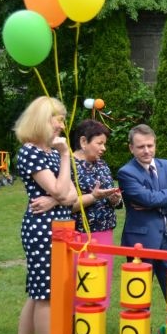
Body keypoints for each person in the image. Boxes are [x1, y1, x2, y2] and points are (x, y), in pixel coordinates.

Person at [8, 96, 76, 334]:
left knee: (38, 295)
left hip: (60, 227)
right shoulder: (31, 152)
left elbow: (72, 195)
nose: (61, 125)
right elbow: (61, 190)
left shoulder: (50, 152)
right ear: (41, 120)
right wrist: (65, 157)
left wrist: (55, 198)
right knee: (46, 296)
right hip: (43, 230)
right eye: (57, 120)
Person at [117, 124, 167, 297]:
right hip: (140, 242)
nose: (146, 150)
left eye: (150, 145)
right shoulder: (126, 172)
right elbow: (148, 199)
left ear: (155, 144)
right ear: (131, 148)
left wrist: (157, 202)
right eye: (141, 147)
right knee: (138, 296)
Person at [69, 119, 121, 308]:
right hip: (79, 235)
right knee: (81, 283)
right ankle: (76, 320)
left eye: (104, 144)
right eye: (99, 143)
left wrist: (115, 199)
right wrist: (93, 196)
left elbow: (112, 196)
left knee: (100, 282)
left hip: (104, 233)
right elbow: (67, 205)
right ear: (83, 142)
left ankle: (96, 319)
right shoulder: (68, 166)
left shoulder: (102, 165)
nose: (103, 148)